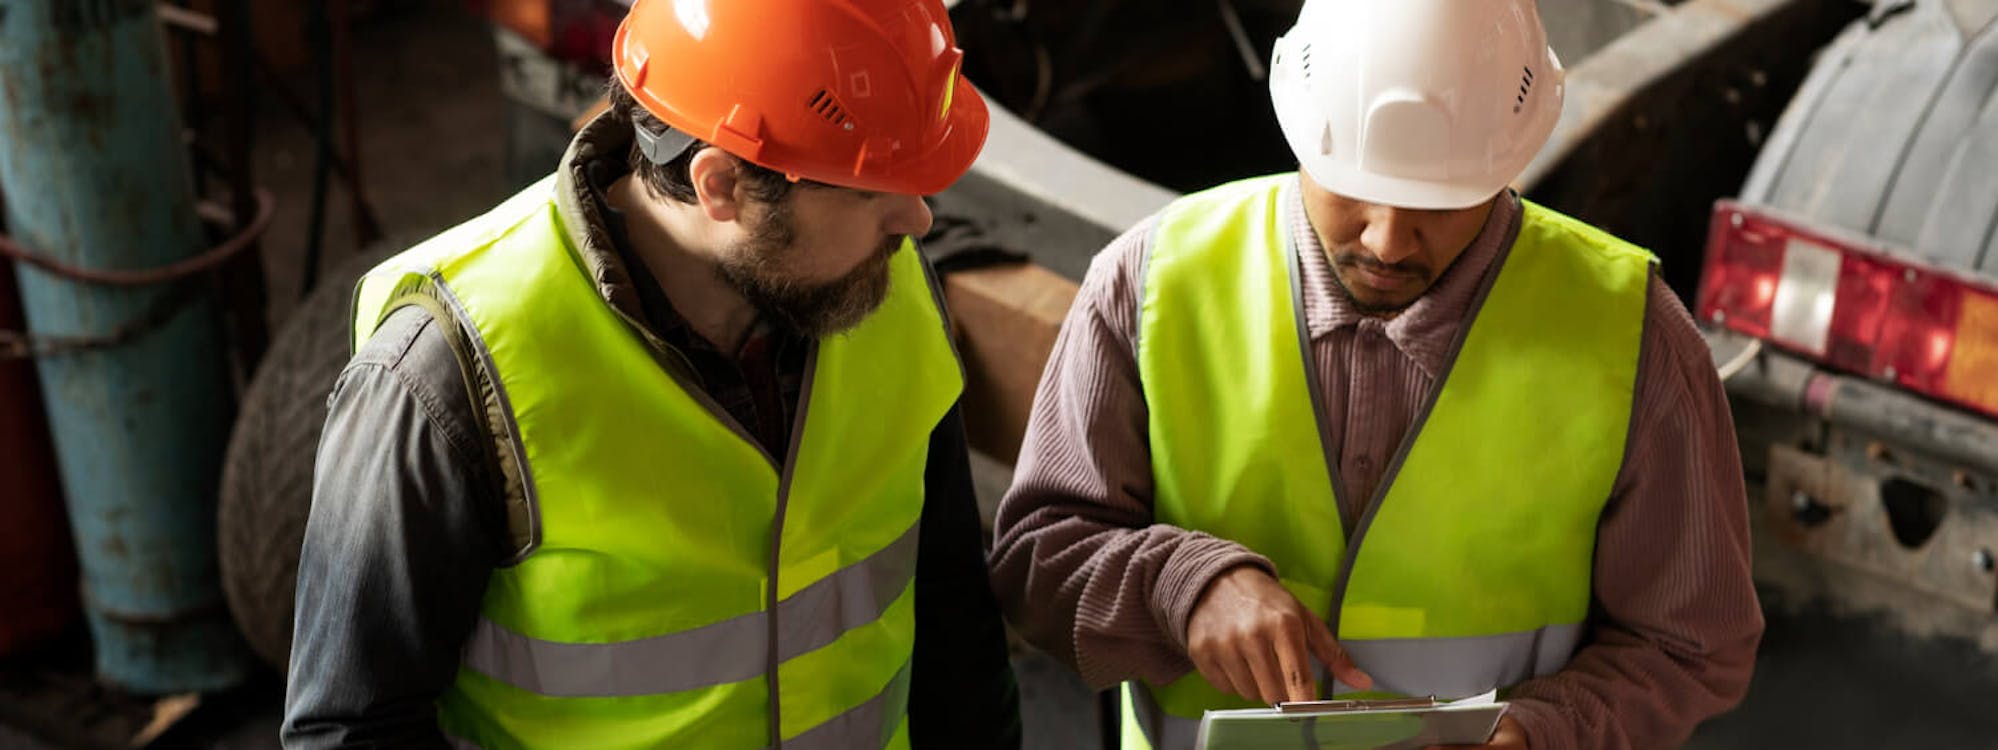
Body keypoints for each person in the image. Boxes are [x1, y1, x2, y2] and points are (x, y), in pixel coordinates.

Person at [989, 1, 1763, 748]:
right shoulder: (1152, 280)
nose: (1388, 243)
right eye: (1353, 190)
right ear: (1299, 133)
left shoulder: (1633, 337)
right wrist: (1179, 588)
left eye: (1442, 201)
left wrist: (1547, 729)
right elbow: (1038, 566)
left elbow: (1692, 645)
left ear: (1507, 162)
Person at [281, 0, 1021, 747]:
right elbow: (351, 730)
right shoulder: (452, 372)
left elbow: (955, 616)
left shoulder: (879, 291)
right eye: (870, 191)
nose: (919, 221)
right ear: (721, 185)